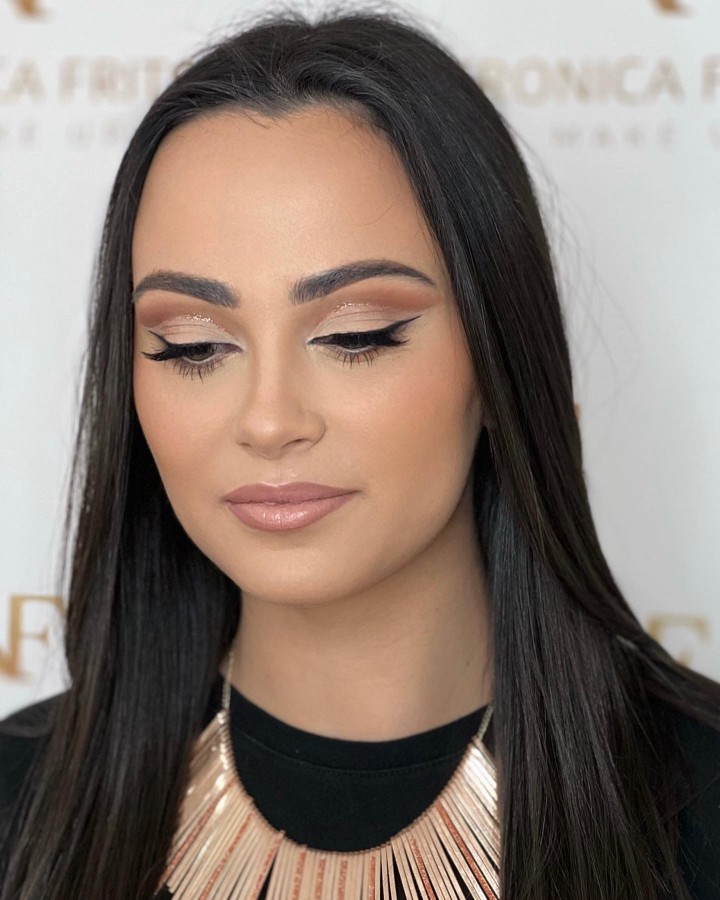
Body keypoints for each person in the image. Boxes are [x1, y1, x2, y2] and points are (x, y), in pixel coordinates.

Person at [1, 5, 718, 899]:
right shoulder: (20, 809)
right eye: (192, 346)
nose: (269, 420)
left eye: (357, 336)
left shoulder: (699, 809)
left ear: (496, 357)